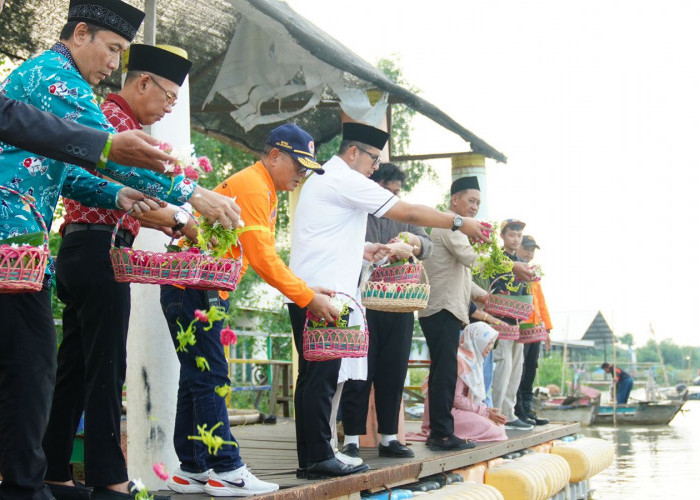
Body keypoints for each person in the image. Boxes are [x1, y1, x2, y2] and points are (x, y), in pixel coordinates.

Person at [288, 122, 492, 479]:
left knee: (313, 378)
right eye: (373, 159)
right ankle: (321, 457)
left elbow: (329, 236)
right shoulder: (345, 179)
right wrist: (459, 222)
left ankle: (314, 456)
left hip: (314, 289)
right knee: (321, 379)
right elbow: (409, 213)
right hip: (324, 295)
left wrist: (365, 249)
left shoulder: (326, 178)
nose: (375, 168)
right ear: (353, 152)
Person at [42, 44, 198, 500]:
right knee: (108, 366)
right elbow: (118, 190)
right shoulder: (112, 124)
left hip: (80, 249)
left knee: (76, 365)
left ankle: (54, 470)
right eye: (168, 97)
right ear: (142, 82)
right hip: (100, 247)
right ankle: (109, 478)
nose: (169, 107)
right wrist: (180, 217)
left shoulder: (122, 122)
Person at [159, 124, 338, 497]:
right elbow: (263, 259)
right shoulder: (256, 186)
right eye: (299, 166)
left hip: (192, 287)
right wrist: (308, 298)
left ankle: (192, 467)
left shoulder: (264, 187)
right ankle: (227, 469)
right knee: (210, 377)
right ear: (274, 156)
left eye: (307, 169)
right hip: (197, 289)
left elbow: (265, 255)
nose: (302, 175)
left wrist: (306, 290)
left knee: (196, 378)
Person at [0, 0, 175, 173]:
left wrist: (116, 194)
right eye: (113, 49)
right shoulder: (56, 74)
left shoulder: (50, 66)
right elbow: (114, 152)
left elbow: (58, 172)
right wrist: (191, 191)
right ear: (81, 33)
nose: (115, 64)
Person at [340, 163, 433, 460]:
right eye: (386, 191)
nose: (392, 197)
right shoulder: (356, 212)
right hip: (363, 304)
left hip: (400, 303)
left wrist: (413, 243)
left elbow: (426, 244)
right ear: (372, 187)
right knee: (358, 373)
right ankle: (351, 438)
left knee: (394, 372)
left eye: (396, 192)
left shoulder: (404, 215)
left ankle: (390, 438)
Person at [416, 322, 507, 443]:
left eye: (492, 344)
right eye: (488, 343)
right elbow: (456, 398)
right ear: (477, 340)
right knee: (495, 430)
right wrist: (483, 412)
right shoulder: (460, 361)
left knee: (499, 426)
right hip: (446, 412)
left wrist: (487, 411)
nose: (490, 347)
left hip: (457, 410)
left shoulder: (471, 360)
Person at [490, 219, 533, 431]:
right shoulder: (495, 259)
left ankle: (509, 412)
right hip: (498, 320)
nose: (515, 239)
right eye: (512, 235)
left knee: (516, 369)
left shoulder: (522, 262)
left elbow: (525, 291)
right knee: (503, 367)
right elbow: (490, 289)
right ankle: (497, 414)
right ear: (503, 236)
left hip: (516, 319)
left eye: (519, 236)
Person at [514, 235, 552, 426]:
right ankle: (518, 410)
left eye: (532, 250)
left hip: (535, 328)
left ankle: (528, 410)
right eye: (526, 248)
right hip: (520, 327)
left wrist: (548, 329)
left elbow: (541, 303)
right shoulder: (514, 269)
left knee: (530, 369)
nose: (529, 253)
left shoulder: (533, 274)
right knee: (518, 370)